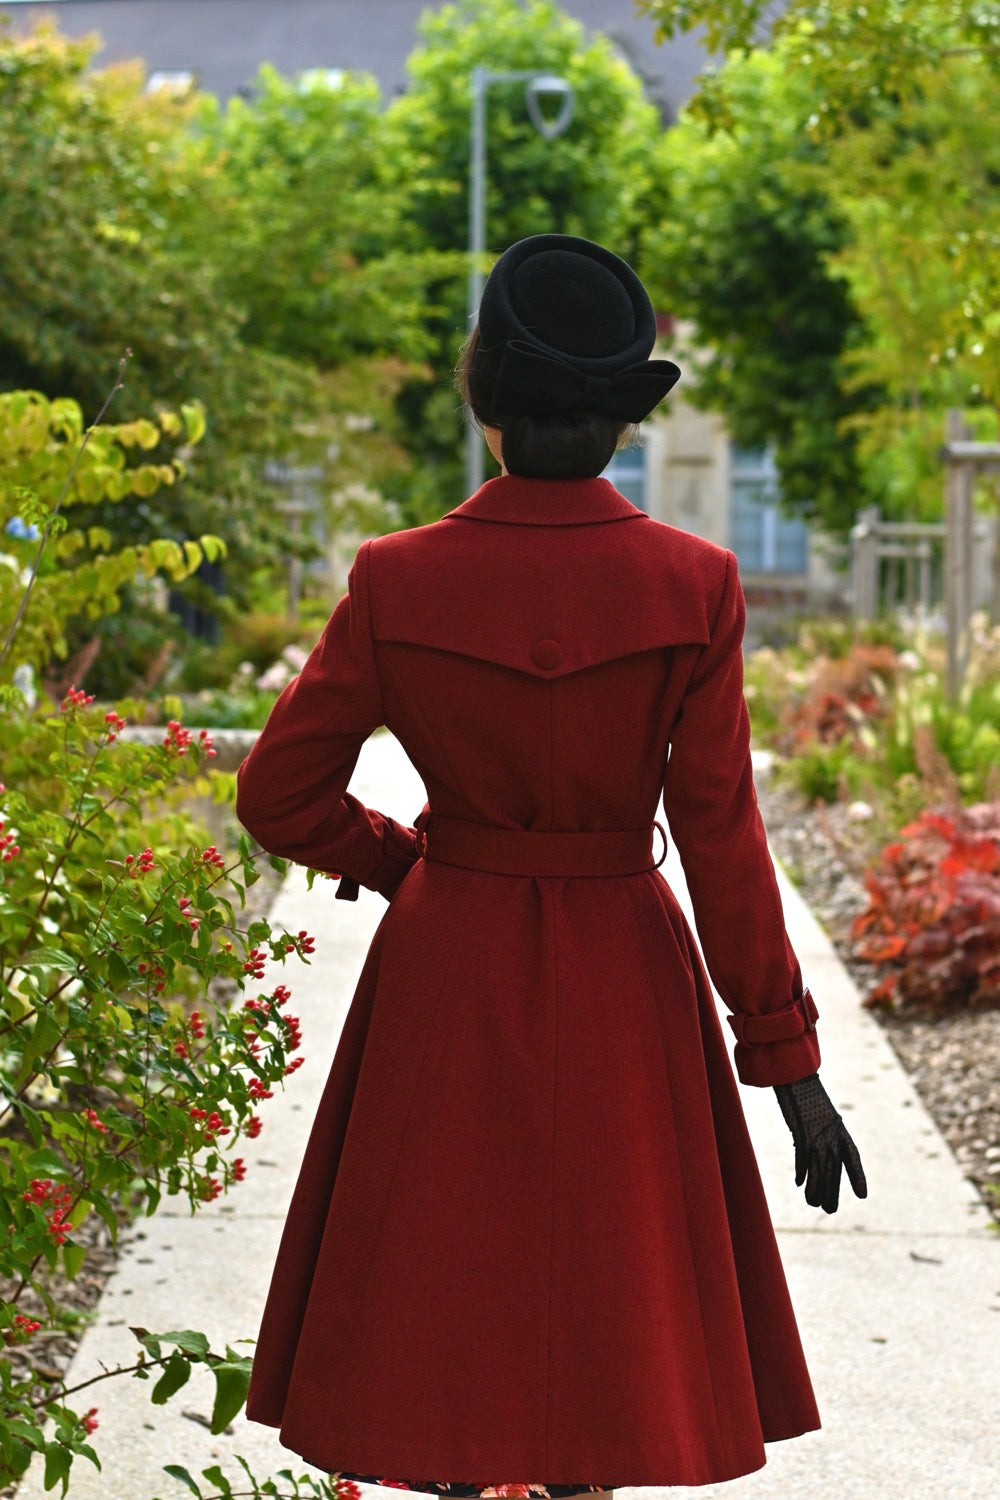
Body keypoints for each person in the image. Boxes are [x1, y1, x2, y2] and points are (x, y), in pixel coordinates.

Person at [236, 233, 867, 1498]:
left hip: (446, 960)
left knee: (446, 1302)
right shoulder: (696, 584)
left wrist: (404, 861)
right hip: (626, 969)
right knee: (606, 1317)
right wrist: (786, 1064)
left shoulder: (395, 578)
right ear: (623, 423)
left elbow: (277, 793)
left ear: (482, 403)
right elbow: (721, 836)